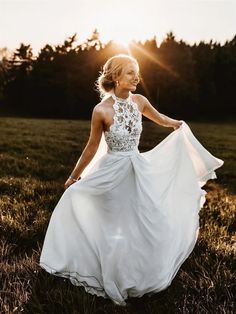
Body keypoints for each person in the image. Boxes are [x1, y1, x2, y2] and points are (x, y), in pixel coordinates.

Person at [39, 54, 224, 306]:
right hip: (111, 171)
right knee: (101, 215)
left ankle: (141, 270)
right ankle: (102, 268)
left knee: (143, 219)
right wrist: (74, 176)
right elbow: (92, 147)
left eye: (137, 72)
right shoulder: (101, 110)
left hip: (137, 167)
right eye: (130, 73)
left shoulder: (139, 101)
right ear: (115, 76)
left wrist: (176, 124)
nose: (137, 77)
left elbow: (159, 118)